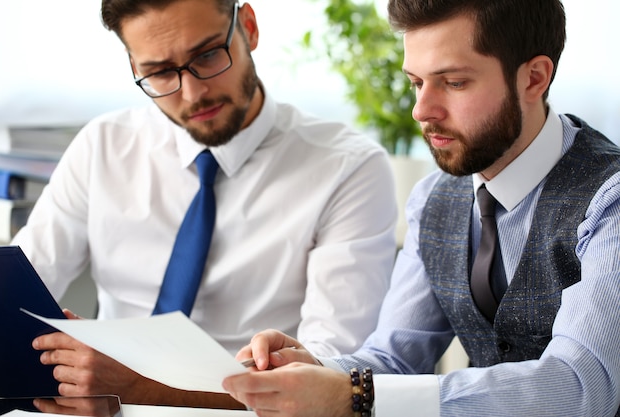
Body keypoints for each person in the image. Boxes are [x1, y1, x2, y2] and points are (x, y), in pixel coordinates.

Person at [222, 0, 620, 415]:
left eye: (454, 82)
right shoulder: (433, 198)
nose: (421, 111)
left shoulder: (610, 197)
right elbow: (395, 359)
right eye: (416, 82)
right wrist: (316, 369)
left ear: (534, 78)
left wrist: (355, 396)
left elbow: (582, 384)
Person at [12, 0, 398, 408]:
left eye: (209, 54)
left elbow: (328, 376)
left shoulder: (348, 167)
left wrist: (132, 389)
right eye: (160, 72)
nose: (194, 93)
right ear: (134, 68)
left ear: (248, 26)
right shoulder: (102, 146)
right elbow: (16, 296)